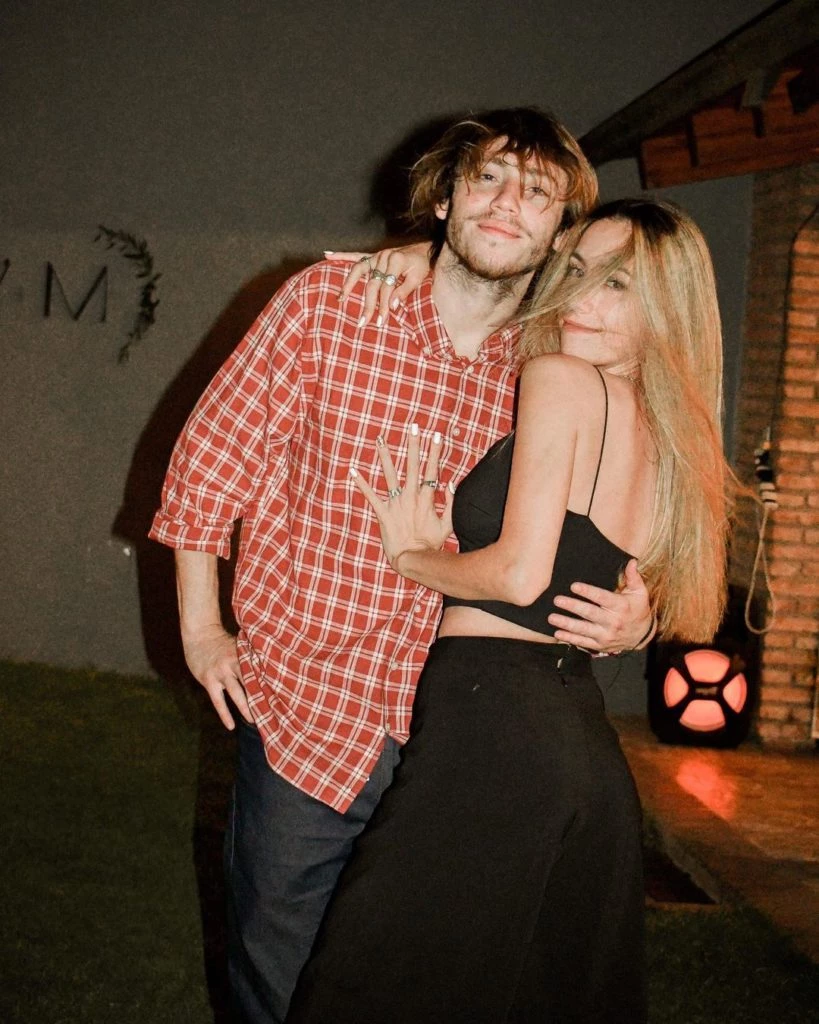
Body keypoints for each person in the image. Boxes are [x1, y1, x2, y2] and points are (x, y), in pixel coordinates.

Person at [149, 108, 654, 1024]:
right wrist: (201, 628)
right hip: (307, 712)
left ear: (559, 233)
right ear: (445, 196)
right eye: (487, 178)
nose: (506, 204)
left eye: (537, 193)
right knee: (278, 985)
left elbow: (601, 510)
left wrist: (636, 612)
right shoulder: (329, 306)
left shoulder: (548, 356)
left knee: (405, 991)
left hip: (454, 736)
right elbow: (211, 463)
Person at [285, 197, 730, 1024]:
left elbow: (521, 576)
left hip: (494, 728)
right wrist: (417, 254)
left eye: (617, 285)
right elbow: (629, 588)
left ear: (665, 307)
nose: (581, 299)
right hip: (579, 746)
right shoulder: (671, 432)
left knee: (370, 983)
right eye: (576, 273)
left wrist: (413, 555)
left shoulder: (559, 379)